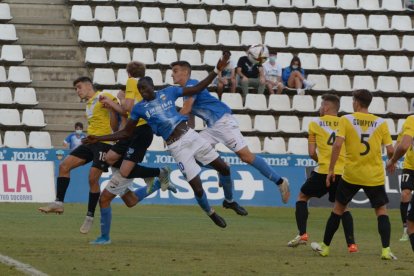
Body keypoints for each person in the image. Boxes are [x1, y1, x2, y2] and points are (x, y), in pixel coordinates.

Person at [83, 54, 233, 228]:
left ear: (152, 87)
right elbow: (125, 133)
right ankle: (211, 213)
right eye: (141, 91)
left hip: (191, 136)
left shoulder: (169, 92)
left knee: (224, 167)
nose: (144, 93)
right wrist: (99, 138)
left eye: (145, 89)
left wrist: (216, 70)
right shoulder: (139, 109)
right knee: (197, 188)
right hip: (176, 146)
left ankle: (230, 200)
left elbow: (198, 87)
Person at [173, 60, 290, 205]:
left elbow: (186, 110)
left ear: (185, 72)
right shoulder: (186, 92)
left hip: (222, 121)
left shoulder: (192, 84)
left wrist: (168, 118)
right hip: (212, 127)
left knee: (246, 157)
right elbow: (188, 118)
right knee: (192, 153)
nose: (172, 74)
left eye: (175, 71)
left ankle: (280, 181)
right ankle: (221, 165)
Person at [88, 61, 176, 244]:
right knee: (131, 200)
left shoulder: (131, 84)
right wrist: (113, 107)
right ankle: (158, 181)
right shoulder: (132, 92)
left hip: (136, 133)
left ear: (128, 74)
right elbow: (116, 124)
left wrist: (113, 105)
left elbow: (127, 111)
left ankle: (104, 237)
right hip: (130, 135)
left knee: (105, 199)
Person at [311, 89, 396, 260]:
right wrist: (391, 162)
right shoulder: (381, 123)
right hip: (374, 175)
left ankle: (325, 247)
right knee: (381, 210)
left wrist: (331, 170)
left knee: (338, 209)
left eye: (353, 100)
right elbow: (391, 150)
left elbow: (337, 146)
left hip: (351, 174)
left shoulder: (346, 120)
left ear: (357, 102)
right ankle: (386, 250)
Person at [38, 76, 120, 234]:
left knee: (92, 178)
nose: (77, 91)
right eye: (76, 89)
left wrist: (111, 108)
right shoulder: (89, 104)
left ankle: (90, 216)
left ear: (89, 86)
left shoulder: (105, 96)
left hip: (105, 143)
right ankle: (59, 203)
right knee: (64, 166)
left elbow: (117, 122)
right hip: (90, 141)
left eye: (79, 87)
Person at [287, 94, 357, 253]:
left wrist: (322, 160)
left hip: (324, 170)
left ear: (325, 107)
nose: (320, 108)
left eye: (321, 105)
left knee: (302, 197)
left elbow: (311, 153)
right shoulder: (346, 123)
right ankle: (351, 244)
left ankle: (303, 234)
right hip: (343, 172)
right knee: (343, 207)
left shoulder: (315, 123)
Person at [386, 115, 414, 250]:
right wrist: (393, 159)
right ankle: (405, 229)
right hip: (410, 166)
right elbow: (400, 142)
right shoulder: (410, 120)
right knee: (405, 194)